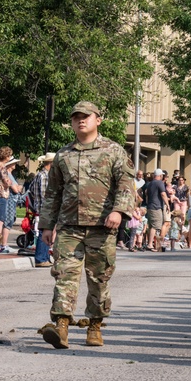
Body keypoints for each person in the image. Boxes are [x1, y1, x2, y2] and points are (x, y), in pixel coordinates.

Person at [37, 101, 136, 349]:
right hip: (69, 227)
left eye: (86, 116)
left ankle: (95, 325)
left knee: (99, 278)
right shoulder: (63, 155)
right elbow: (53, 193)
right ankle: (61, 325)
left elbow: (126, 184)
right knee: (64, 276)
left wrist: (118, 211)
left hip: (102, 226)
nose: (81, 120)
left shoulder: (113, 151)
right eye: (76, 117)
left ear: (98, 120)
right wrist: (47, 225)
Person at [0, 147, 24, 253]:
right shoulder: (2, 168)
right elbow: (7, 182)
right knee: (0, 221)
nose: (9, 158)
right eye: (9, 155)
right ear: (6, 156)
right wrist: (10, 183)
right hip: (2, 195)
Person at [28, 152, 56, 267]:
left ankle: (44, 257)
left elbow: (31, 190)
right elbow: (46, 195)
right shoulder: (44, 176)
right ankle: (41, 258)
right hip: (45, 209)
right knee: (44, 232)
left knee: (44, 232)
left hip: (41, 208)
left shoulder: (39, 175)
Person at [143, 169, 168, 252]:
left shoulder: (150, 184)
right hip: (156, 207)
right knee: (155, 226)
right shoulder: (160, 183)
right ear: (160, 175)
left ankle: (149, 243)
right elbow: (163, 194)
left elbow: (146, 193)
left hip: (150, 206)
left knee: (151, 226)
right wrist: (167, 204)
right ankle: (150, 244)